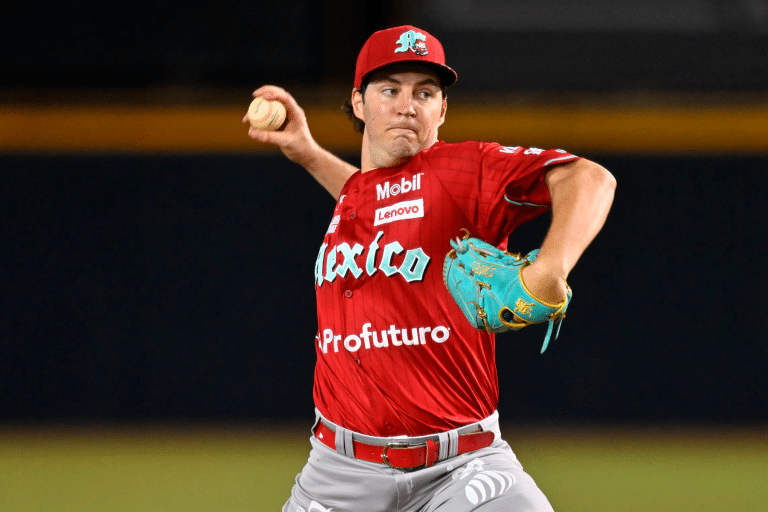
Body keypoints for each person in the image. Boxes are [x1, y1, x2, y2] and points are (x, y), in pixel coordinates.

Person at [244, 25, 615, 512]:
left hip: (463, 467)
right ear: (359, 103)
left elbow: (589, 177)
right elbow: (376, 200)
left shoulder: (464, 170)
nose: (407, 105)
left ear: (442, 109)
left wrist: (551, 266)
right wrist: (309, 154)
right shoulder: (358, 196)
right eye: (390, 89)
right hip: (337, 474)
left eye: (425, 92)